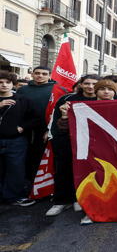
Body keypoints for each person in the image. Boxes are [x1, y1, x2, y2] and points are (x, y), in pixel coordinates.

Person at [46, 75, 99, 218]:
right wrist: (56, 139)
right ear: (80, 85)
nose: (90, 86)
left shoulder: (104, 100)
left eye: (94, 84)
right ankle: (61, 201)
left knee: (88, 171)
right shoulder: (66, 99)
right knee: (63, 171)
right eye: (86, 83)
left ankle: (79, 198)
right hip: (66, 141)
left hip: (93, 143)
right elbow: (55, 119)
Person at [16, 66, 62, 189]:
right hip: (26, 128)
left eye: (44, 73)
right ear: (32, 74)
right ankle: (28, 182)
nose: (40, 76)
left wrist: (50, 129)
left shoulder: (57, 89)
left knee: (44, 156)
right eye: (37, 73)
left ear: (49, 75)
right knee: (27, 155)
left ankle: (44, 185)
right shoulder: (23, 90)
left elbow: (60, 110)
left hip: (48, 128)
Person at [0, 71, 38, 207]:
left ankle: (12, 197)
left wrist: (23, 127)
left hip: (16, 141)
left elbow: (35, 118)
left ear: (13, 84)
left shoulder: (23, 99)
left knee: (16, 169)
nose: (4, 85)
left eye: (7, 82)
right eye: (0, 82)